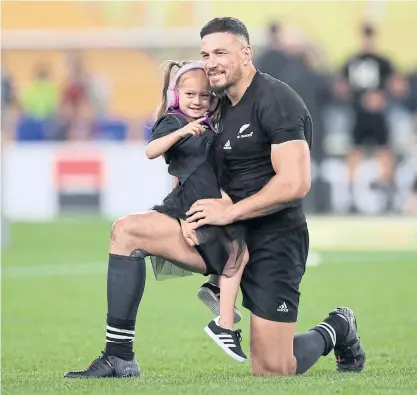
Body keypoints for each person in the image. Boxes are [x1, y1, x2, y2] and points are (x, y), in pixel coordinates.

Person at [64, 17, 365, 379]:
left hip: (274, 238)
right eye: (206, 53)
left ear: (246, 53)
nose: (211, 62)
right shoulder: (213, 103)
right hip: (217, 231)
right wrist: (184, 216)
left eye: (221, 52)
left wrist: (230, 210)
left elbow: (295, 183)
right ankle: (119, 357)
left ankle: (337, 326)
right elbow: (190, 165)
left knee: (273, 366)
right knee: (126, 231)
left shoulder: (277, 100)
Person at [145, 59, 248, 362]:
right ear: (177, 95)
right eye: (190, 95)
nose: (198, 102)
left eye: (205, 96)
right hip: (194, 198)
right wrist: (181, 132)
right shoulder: (173, 121)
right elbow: (151, 151)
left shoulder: (210, 124)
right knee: (237, 252)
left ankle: (215, 290)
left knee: (240, 247)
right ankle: (223, 325)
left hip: (212, 196)